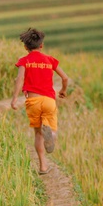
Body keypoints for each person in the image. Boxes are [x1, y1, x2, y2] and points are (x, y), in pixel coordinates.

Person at [11, 27, 68, 175]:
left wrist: (15, 98)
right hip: (49, 100)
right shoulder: (49, 60)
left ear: (25, 47)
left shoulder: (24, 61)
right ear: (41, 45)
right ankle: (52, 136)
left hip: (33, 101)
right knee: (52, 128)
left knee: (37, 134)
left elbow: (20, 79)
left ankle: (43, 166)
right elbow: (65, 77)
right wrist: (63, 90)